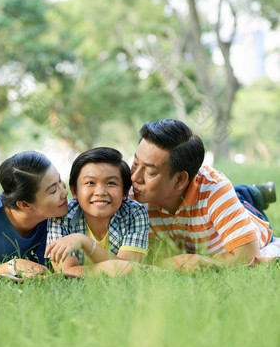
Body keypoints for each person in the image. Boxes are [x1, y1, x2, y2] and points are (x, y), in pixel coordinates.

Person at [130, 119, 277, 270]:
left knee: (241, 201)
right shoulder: (131, 191)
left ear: (180, 180)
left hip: (247, 217)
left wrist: (198, 261)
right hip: (205, 208)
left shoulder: (215, 190)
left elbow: (249, 255)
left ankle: (253, 194)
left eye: (150, 172)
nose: (135, 177)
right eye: (135, 163)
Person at [45, 147, 149, 277]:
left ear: (125, 192)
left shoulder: (135, 213)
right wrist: (113, 267)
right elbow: (66, 272)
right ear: (75, 191)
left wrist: (86, 242)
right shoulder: (62, 216)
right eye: (90, 183)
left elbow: (129, 271)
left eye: (111, 183)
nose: (100, 192)